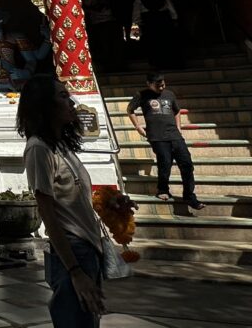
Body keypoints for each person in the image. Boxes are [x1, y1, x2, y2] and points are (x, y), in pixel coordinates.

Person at [18, 76, 106, 327]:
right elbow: (48, 214)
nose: (71, 103)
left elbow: (73, 198)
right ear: (45, 105)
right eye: (63, 96)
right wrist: (75, 272)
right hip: (72, 250)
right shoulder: (39, 149)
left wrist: (110, 204)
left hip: (88, 247)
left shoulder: (61, 146)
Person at [127, 73, 204, 209]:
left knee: (186, 164)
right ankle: (162, 189)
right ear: (149, 84)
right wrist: (138, 126)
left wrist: (179, 128)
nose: (162, 87)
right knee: (165, 163)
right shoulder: (141, 95)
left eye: (163, 84)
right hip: (157, 136)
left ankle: (189, 195)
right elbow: (130, 109)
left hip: (174, 135)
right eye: (158, 86)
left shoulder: (169, 94)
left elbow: (176, 111)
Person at [130, 0, 180, 69]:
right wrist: (136, 23)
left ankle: (166, 63)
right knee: (156, 43)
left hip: (157, 19)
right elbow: (137, 8)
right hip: (154, 19)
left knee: (163, 42)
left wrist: (174, 17)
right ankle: (162, 63)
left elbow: (168, 3)